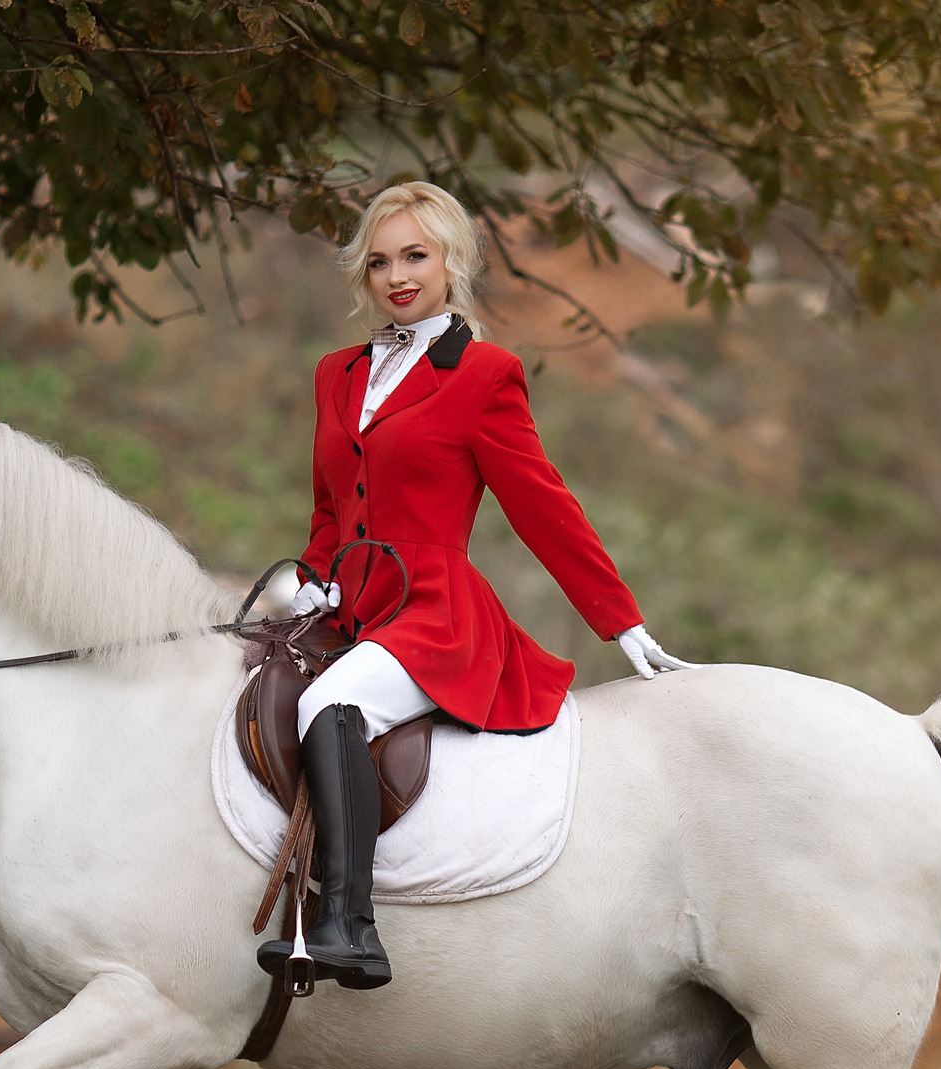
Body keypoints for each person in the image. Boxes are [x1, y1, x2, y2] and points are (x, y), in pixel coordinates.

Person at [259, 181, 691, 991]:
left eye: (415, 256)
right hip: (350, 605)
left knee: (328, 706)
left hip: (432, 611)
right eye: (381, 260)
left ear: (452, 262)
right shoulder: (337, 373)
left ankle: (348, 927)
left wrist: (621, 623)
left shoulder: (484, 374)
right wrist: (314, 576)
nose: (397, 275)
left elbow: (543, 506)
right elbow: (329, 505)